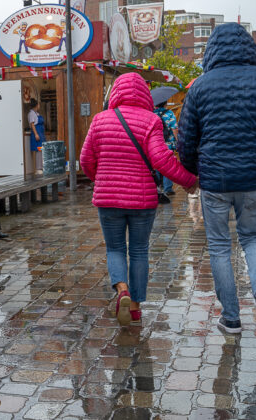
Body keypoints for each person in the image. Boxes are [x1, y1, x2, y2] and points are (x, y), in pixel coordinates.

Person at [178, 23, 256, 334]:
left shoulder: (200, 87)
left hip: (215, 180)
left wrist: (195, 169)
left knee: (219, 245)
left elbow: (186, 139)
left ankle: (231, 317)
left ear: (212, 50)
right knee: (253, 238)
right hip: (254, 179)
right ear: (250, 49)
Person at [80, 72, 197, 326]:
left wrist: (100, 178)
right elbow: (161, 159)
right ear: (145, 94)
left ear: (115, 93)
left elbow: (86, 160)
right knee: (139, 250)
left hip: (107, 199)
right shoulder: (151, 120)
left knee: (115, 249)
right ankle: (134, 307)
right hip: (142, 199)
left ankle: (122, 288)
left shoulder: (99, 120)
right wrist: (188, 180)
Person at [154, 100, 179, 196]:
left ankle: (157, 187)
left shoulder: (152, 114)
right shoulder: (169, 113)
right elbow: (174, 129)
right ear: (165, 103)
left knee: (156, 165)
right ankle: (168, 188)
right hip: (168, 144)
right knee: (168, 165)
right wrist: (178, 141)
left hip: (155, 144)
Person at [28, 99, 45, 174]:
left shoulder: (36, 113)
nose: (39, 106)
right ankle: (38, 168)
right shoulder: (31, 113)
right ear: (36, 105)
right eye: (38, 104)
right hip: (37, 133)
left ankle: (41, 166)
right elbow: (32, 124)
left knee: (41, 149)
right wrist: (36, 134)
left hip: (40, 133)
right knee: (38, 149)